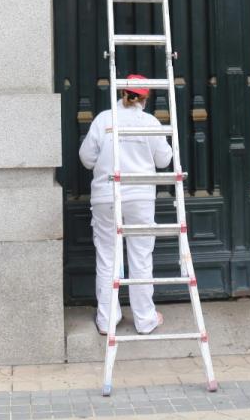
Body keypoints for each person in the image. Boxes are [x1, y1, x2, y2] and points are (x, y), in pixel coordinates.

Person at [79, 74, 173, 336]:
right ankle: (145, 319)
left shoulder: (104, 120)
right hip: (140, 197)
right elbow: (164, 160)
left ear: (123, 93)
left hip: (106, 195)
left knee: (108, 256)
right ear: (145, 98)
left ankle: (107, 319)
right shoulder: (150, 123)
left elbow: (86, 159)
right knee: (141, 256)